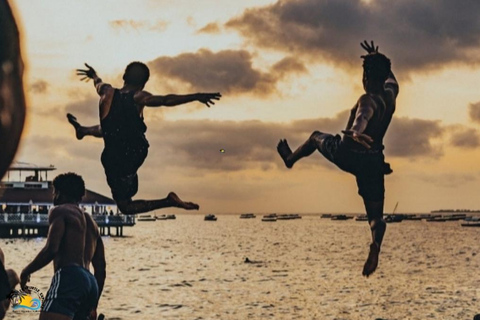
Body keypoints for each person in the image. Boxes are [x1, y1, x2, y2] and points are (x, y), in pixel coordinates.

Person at [277, 41, 399, 277]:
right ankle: (376, 246)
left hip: (348, 153)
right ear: (384, 76)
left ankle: (291, 159)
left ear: (365, 77)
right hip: (373, 162)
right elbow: (392, 81)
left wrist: (355, 132)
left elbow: (362, 119)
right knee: (376, 218)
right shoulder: (390, 97)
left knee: (314, 137)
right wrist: (377, 57)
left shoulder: (367, 99)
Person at [68, 62, 221, 215]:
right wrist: (196, 96)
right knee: (110, 129)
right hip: (135, 152)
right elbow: (165, 100)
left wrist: (94, 75)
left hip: (116, 159)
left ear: (123, 77)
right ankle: (83, 130)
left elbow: (98, 83)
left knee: (126, 206)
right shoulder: (138, 97)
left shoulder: (105, 91)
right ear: (144, 83)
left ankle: (168, 201)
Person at [20, 173, 106, 320]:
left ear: (59, 193)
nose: (53, 197)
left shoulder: (60, 211)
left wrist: (26, 271)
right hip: (91, 283)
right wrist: (93, 305)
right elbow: (101, 268)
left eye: (54, 192)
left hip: (69, 275)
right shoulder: (93, 224)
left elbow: (51, 249)